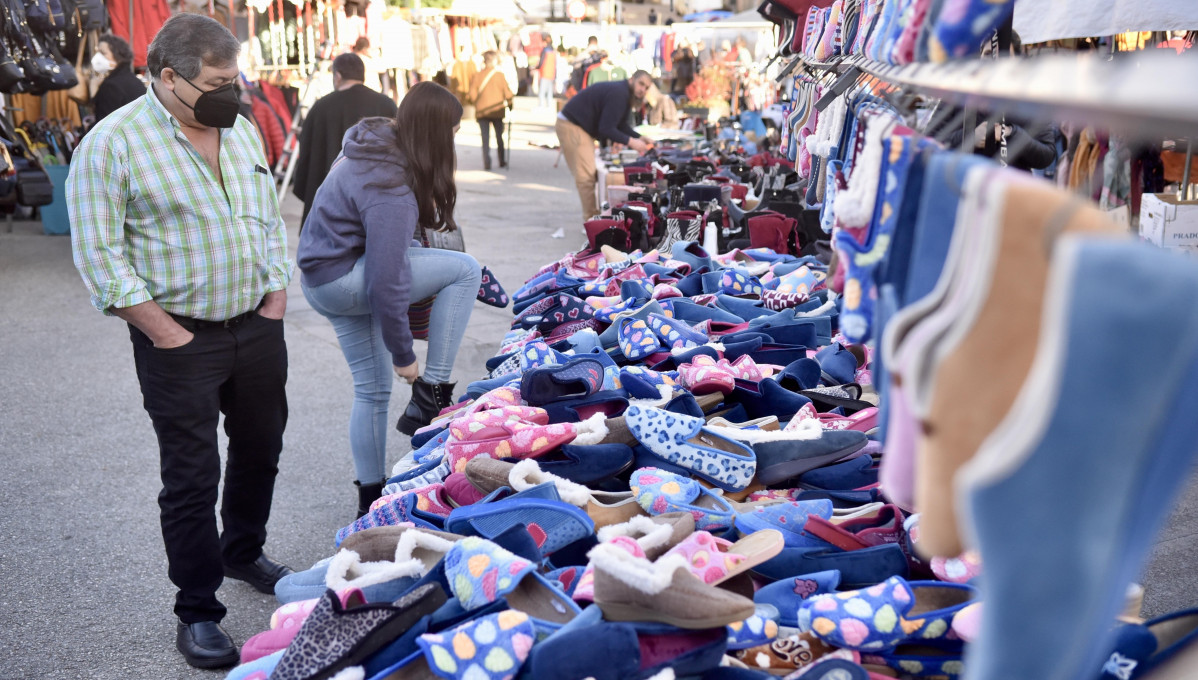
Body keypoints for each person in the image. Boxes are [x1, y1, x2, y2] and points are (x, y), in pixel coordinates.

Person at [67, 14, 293, 670]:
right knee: (191, 475)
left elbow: (268, 220)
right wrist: (163, 331)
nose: (238, 92)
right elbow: (101, 256)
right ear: (170, 77)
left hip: (257, 327)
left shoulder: (241, 128)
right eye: (221, 82)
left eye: (238, 78)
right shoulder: (112, 145)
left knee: (262, 448)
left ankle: (242, 551)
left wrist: (275, 295)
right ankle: (197, 609)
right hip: (179, 342)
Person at [297, 82, 482, 517]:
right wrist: (404, 355)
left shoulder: (373, 144)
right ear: (435, 132)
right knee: (465, 269)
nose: (453, 142)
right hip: (346, 278)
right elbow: (387, 276)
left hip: (322, 278)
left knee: (372, 392)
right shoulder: (390, 182)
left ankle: (370, 500)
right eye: (453, 132)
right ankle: (431, 391)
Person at [292, 53, 397, 228]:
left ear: (338, 76)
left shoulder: (321, 107)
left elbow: (306, 155)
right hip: (376, 200)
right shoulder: (386, 104)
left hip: (328, 206)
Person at [556, 70, 653, 222]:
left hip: (578, 125)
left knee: (588, 174)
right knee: (586, 176)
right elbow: (606, 128)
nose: (643, 89)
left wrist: (639, 137)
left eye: (647, 87)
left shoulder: (623, 93)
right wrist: (632, 142)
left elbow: (619, 124)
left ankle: (594, 219)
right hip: (572, 125)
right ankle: (591, 223)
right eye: (641, 84)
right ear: (631, 79)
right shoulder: (620, 93)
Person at [469, 51, 514, 171]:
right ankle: (501, 160)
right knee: (499, 137)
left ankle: (487, 163)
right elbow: (508, 93)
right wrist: (510, 105)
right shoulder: (499, 75)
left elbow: (472, 94)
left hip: (482, 111)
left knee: (485, 138)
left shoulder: (477, 75)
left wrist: (478, 103)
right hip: (497, 111)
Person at [90, 35, 144, 122]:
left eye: (103, 53)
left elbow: (104, 125)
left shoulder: (110, 86)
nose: (97, 57)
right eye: (97, 52)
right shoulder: (134, 80)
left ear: (118, 56)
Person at [537, 33, 557, 111]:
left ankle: (541, 104)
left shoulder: (545, 50)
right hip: (552, 72)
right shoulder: (553, 50)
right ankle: (549, 104)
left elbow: (541, 62)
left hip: (545, 72)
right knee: (549, 90)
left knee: (542, 90)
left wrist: (537, 67)